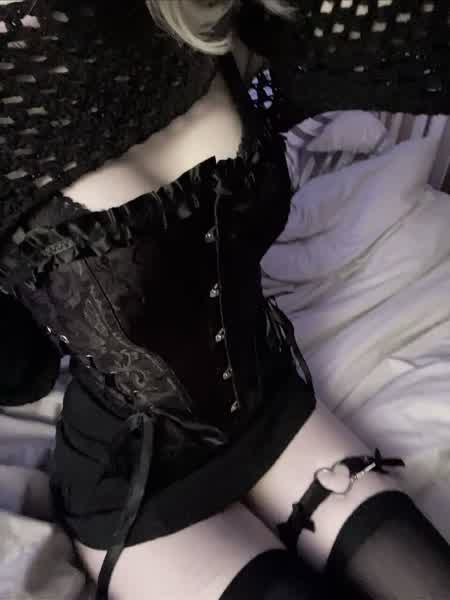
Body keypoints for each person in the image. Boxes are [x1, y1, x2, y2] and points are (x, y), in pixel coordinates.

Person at [1, 1, 449, 599]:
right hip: (134, 481)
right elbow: (22, 370)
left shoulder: (193, 12)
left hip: (271, 406)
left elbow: (403, 38)